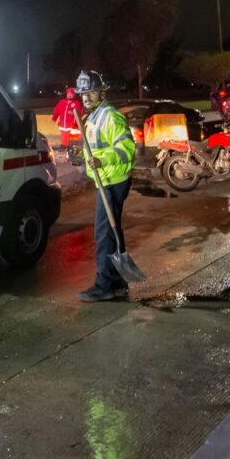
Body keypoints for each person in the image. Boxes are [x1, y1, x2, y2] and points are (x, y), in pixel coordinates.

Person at [74, 70, 138, 302]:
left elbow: (127, 148)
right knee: (111, 232)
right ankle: (119, 282)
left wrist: (103, 160)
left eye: (91, 91)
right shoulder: (93, 115)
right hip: (105, 178)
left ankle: (104, 285)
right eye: (83, 93)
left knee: (103, 235)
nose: (86, 97)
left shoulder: (110, 116)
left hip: (112, 180)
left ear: (101, 91)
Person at [51, 87, 84, 160]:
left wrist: (73, 113)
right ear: (66, 94)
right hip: (62, 125)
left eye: (71, 94)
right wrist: (54, 118)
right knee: (63, 138)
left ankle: (69, 152)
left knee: (71, 140)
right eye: (68, 94)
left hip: (72, 126)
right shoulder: (62, 102)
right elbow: (57, 110)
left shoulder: (77, 103)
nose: (70, 95)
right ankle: (65, 150)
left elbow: (80, 112)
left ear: (74, 95)